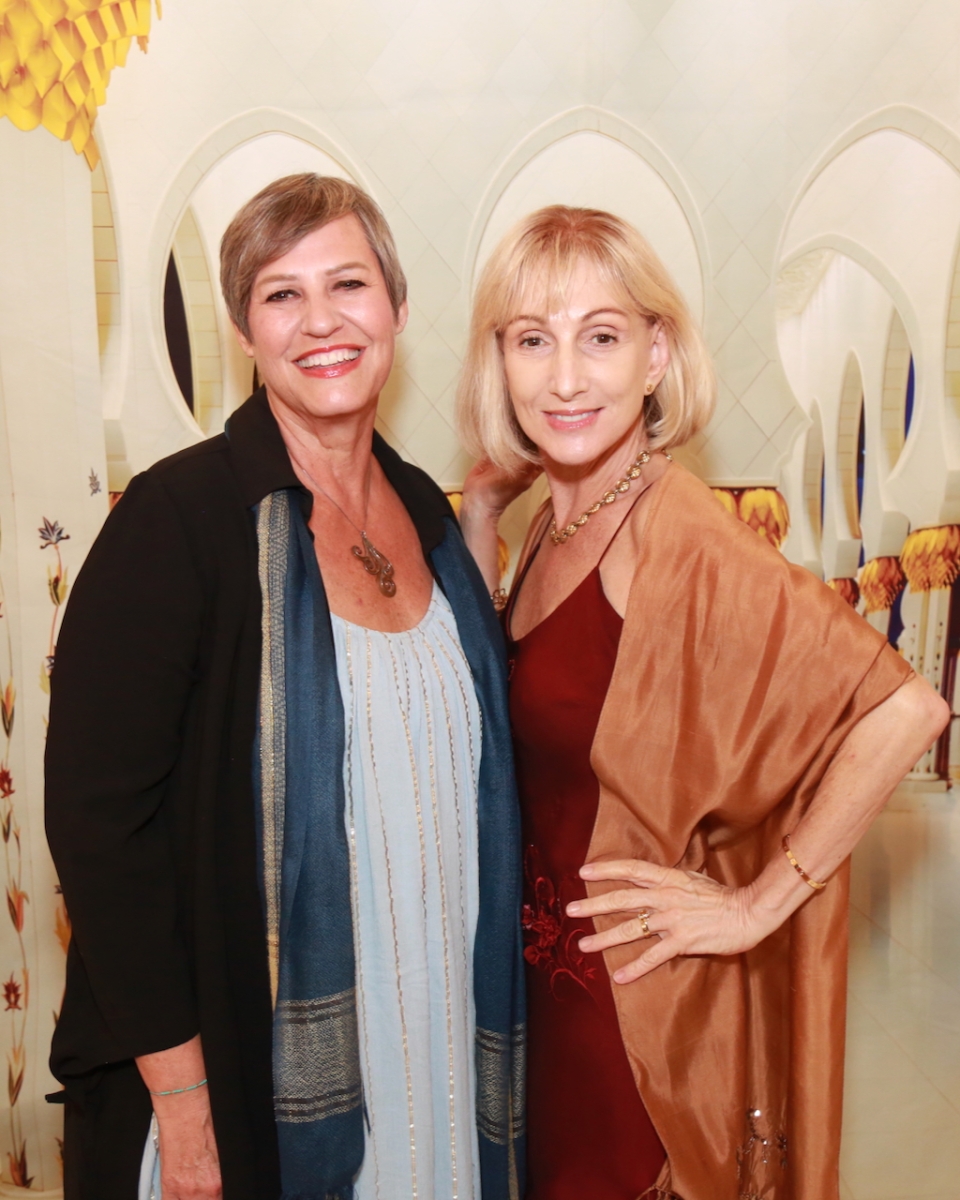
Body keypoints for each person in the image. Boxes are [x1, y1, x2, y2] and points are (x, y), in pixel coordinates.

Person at [45, 174, 525, 1200]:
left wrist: (484, 513)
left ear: (397, 306)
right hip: (246, 1068)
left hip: (431, 1047)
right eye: (281, 294)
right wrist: (186, 1109)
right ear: (244, 332)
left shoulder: (426, 516)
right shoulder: (179, 523)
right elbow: (99, 832)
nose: (321, 321)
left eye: (348, 284)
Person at [456, 205, 948, 1200]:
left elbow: (906, 710)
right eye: (533, 340)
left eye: (601, 337)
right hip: (546, 994)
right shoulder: (558, 524)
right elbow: (492, 693)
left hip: (630, 1024)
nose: (564, 377)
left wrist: (758, 903)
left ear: (656, 356)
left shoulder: (672, 529)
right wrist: (482, 510)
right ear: (498, 361)